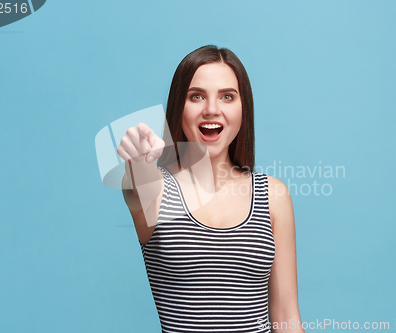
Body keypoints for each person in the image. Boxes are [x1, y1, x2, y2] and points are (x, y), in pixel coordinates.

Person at [117, 45, 304, 333]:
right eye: (196, 96)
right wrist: (139, 156)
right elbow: (136, 182)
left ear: (244, 109)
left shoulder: (273, 195)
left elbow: (287, 318)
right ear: (179, 106)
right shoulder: (156, 190)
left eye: (227, 96)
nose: (212, 109)